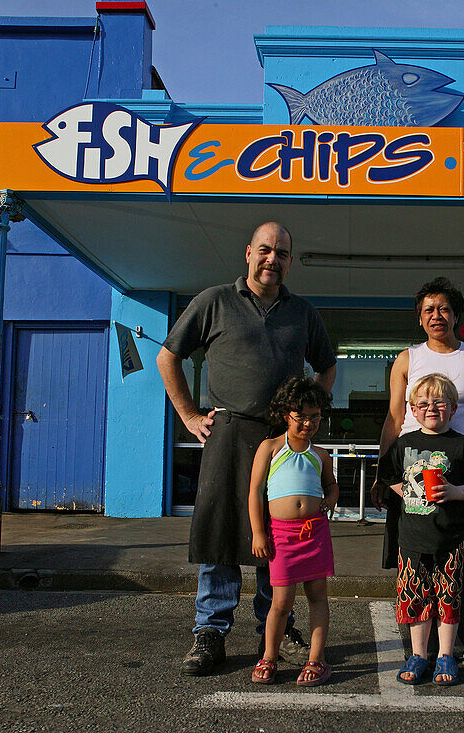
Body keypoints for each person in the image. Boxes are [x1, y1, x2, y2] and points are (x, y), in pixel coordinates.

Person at [156, 222, 337, 676]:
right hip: (228, 432)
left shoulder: (303, 313)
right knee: (221, 532)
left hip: (281, 439)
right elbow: (167, 356)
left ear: (290, 262)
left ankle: (272, 631)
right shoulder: (214, 301)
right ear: (248, 253)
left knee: (276, 535)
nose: (271, 259)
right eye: (264, 250)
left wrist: (305, 416)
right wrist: (190, 416)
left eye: (281, 253)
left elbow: (327, 367)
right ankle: (210, 633)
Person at [372, 277, 464, 675]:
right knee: (417, 563)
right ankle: (423, 650)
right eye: (427, 310)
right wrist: (381, 474)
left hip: (462, 473)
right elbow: (393, 418)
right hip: (412, 477)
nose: (435, 316)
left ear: (456, 315)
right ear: (419, 319)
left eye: (443, 309)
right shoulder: (408, 358)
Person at [377, 374, 464, 686]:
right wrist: (406, 492)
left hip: (451, 538)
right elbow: (386, 474)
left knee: (449, 597)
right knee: (414, 597)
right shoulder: (404, 443)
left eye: (439, 403)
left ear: (453, 408)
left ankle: (446, 655)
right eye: (423, 403)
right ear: (412, 409)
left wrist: (454, 492)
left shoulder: (463, 445)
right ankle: (419, 654)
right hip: (411, 539)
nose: (431, 408)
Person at [249, 377, 339, 686]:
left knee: (317, 597)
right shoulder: (270, 447)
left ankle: (317, 660)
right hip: (282, 537)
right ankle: (269, 657)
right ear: (286, 413)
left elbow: (332, 485)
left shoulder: (321, 455)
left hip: (315, 533)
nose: (309, 423)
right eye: (301, 416)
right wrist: (258, 533)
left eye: (315, 416)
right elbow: (255, 491)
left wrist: (330, 499)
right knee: (281, 602)